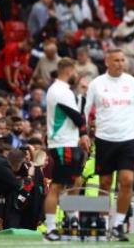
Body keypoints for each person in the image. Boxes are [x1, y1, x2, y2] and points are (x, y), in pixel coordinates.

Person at [84, 49, 134, 241]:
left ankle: (118, 225)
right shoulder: (97, 84)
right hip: (104, 140)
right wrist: (83, 133)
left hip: (128, 139)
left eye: (123, 60)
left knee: (127, 180)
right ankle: (104, 225)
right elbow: (86, 109)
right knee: (105, 184)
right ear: (107, 62)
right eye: (116, 60)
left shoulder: (132, 83)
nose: (120, 63)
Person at [43, 58, 91, 241]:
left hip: (69, 142)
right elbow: (77, 117)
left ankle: (72, 221)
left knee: (76, 181)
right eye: (75, 71)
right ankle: (50, 228)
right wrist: (84, 133)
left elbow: (76, 111)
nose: (76, 75)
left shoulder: (65, 91)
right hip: (62, 143)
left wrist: (82, 94)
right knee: (57, 186)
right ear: (69, 70)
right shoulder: (59, 90)